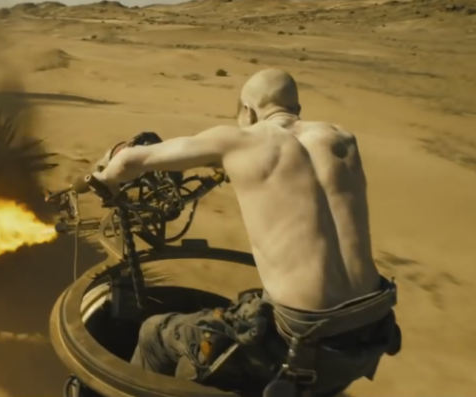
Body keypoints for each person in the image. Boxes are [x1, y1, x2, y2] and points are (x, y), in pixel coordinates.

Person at [86, 68, 402, 397]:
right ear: (296, 108)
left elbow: (129, 162)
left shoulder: (238, 141)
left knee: (153, 334)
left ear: (248, 112)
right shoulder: (343, 139)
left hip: (299, 342)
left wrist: (104, 179)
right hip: (372, 329)